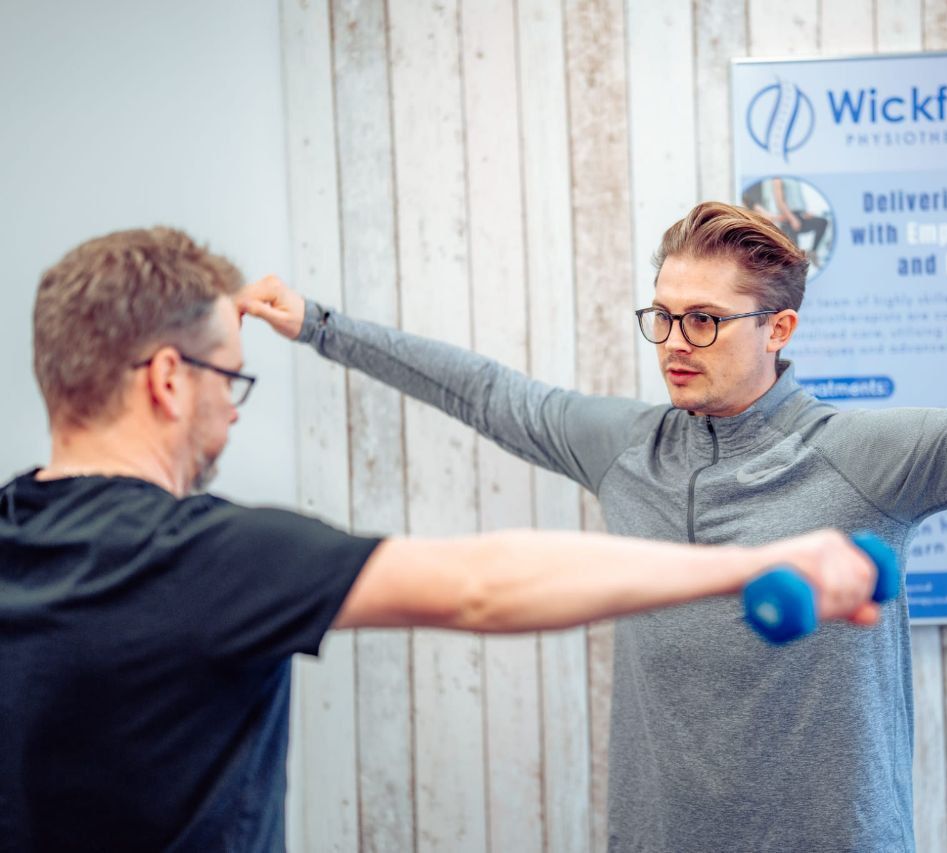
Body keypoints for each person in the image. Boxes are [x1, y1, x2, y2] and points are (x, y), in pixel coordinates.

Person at [239, 202, 947, 851]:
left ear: (777, 330)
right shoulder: (622, 445)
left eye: (703, 320)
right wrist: (321, 326)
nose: (673, 344)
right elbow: (484, 391)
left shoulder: (861, 455)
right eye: (661, 316)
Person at [0, 226, 887, 853]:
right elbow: (481, 583)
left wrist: (321, 324)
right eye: (230, 381)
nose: (230, 413)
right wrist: (759, 561)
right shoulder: (202, 557)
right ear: (166, 380)